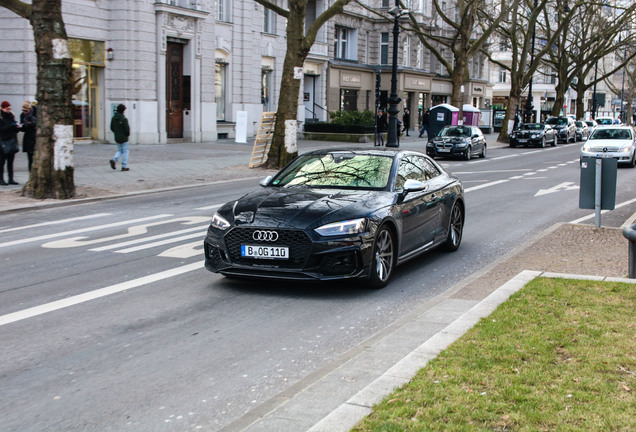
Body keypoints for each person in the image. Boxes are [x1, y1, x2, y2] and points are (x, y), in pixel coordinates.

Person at [0, 101, 21, 185]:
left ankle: (11, 179)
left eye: (10, 109)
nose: (9, 110)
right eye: (7, 109)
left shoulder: (12, 116)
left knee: (10, 162)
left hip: (12, 140)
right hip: (3, 142)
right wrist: (11, 126)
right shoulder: (1, 118)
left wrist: (17, 126)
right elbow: (1, 129)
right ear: (2, 108)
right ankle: (1, 179)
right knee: (2, 162)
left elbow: (16, 129)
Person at [110, 104, 130, 171]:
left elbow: (111, 128)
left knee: (120, 150)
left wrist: (117, 132)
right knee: (125, 151)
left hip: (117, 137)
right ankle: (124, 166)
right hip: (124, 138)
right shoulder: (124, 119)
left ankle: (114, 160)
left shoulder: (113, 118)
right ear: (123, 111)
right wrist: (127, 135)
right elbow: (127, 130)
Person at [20, 101, 37, 172]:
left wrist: (31, 124)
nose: (25, 112)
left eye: (26, 110)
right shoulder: (22, 115)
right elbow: (22, 127)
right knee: (30, 158)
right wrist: (21, 126)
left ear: (30, 109)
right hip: (28, 137)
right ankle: (31, 174)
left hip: (35, 137)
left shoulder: (35, 113)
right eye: (23, 110)